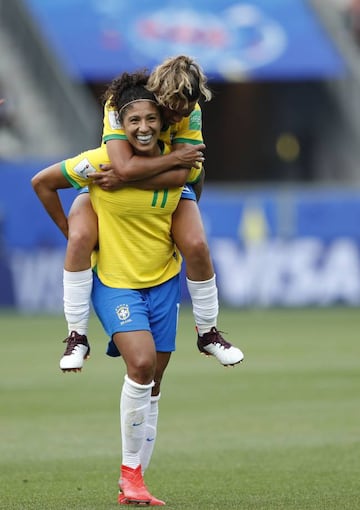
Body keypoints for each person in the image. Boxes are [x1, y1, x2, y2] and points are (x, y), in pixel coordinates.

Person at [32, 71, 201, 505]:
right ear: (120, 127)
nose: (143, 128)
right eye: (133, 121)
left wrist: (158, 171)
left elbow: (189, 182)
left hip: (162, 279)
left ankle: (135, 482)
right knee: (141, 365)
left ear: (164, 123)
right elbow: (43, 182)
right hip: (115, 282)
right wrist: (74, 234)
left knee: (155, 381)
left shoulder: (179, 164)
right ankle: (76, 336)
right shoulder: (101, 163)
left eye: (151, 119)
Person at [59, 55, 244, 372]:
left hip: (169, 185)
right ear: (158, 95)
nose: (177, 116)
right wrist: (126, 173)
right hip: (113, 184)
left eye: (184, 111)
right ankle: (76, 333)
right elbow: (121, 165)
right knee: (79, 238)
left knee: (197, 245)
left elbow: (182, 175)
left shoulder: (190, 109)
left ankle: (207, 332)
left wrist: (129, 175)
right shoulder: (122, 103)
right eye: (170, 109)